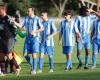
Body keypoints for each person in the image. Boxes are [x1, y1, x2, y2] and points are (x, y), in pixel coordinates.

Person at [17, 7, 44, 75]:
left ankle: (34, 70)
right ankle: (33, 66)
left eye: (28, 11)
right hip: (27, 39)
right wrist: (14, 22)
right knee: (25, 54)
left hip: (35, 38)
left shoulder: (37, 19)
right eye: (27, 11)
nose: (27, 12)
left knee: (34, 55)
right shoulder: (26, 18)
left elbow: (42, 28)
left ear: (32, 11)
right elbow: (20, 26)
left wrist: (34, 31)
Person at [0, 3, 20, 75]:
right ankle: (3, 72)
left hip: (9, 39)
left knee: (9, 56)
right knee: (1, 55)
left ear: (3, 10)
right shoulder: (0, 18)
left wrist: (12, 36)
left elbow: (15, 28)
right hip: (2, 39)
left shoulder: (8, 18)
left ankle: (17, 67)